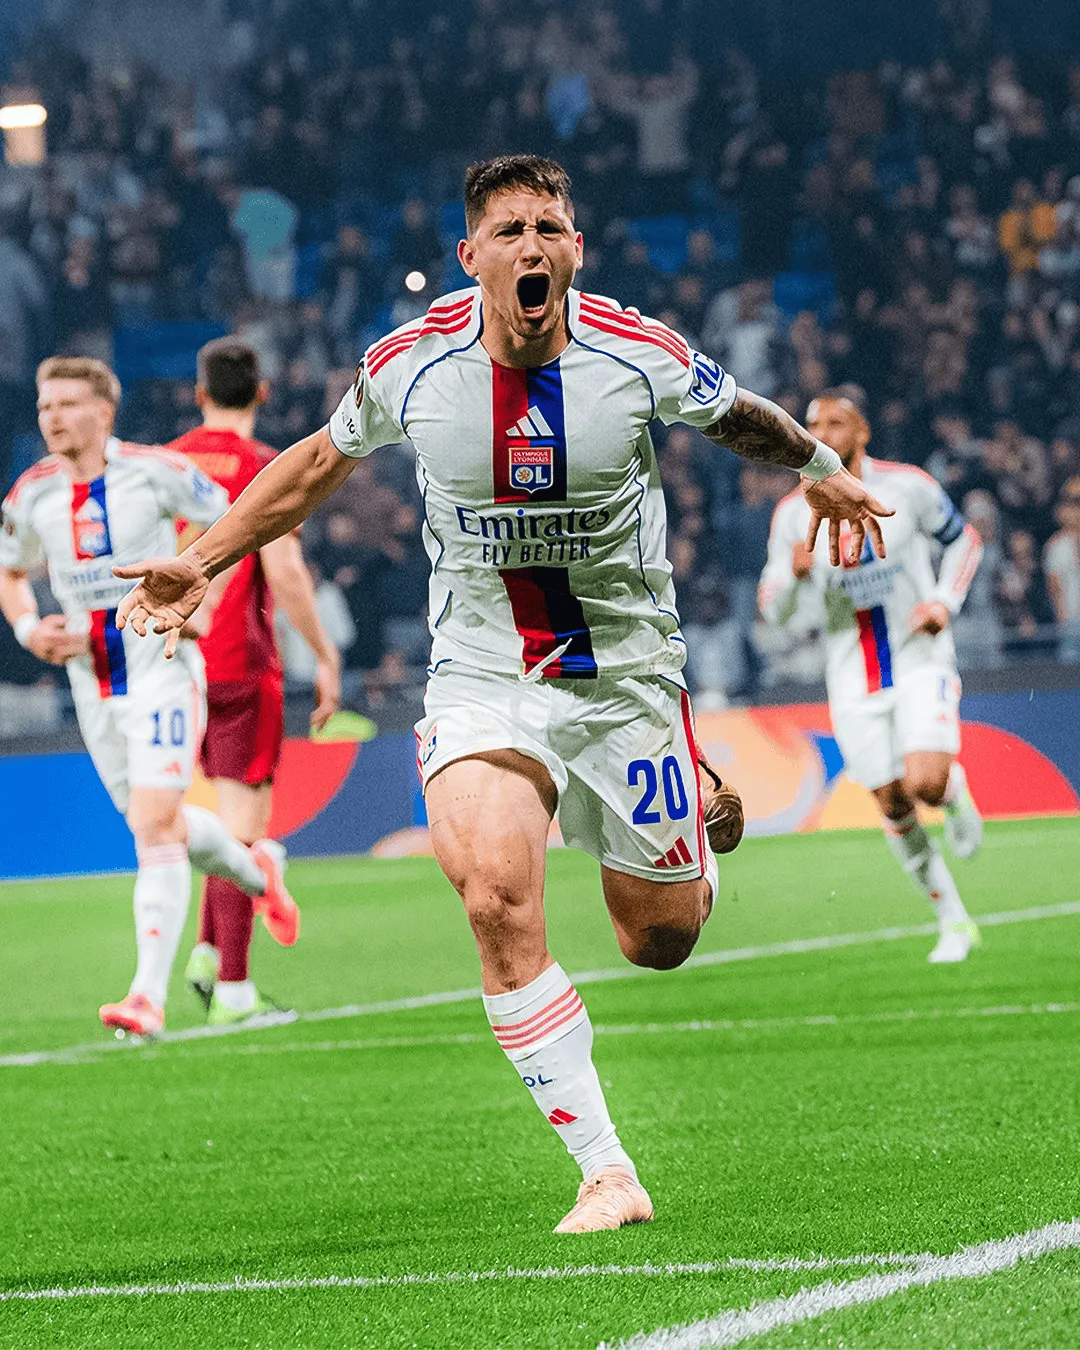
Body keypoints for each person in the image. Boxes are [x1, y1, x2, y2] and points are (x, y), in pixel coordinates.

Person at [112, 155, 891, 1232]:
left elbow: (738, 416)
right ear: (470, 255)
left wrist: (816, 467)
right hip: (484, 673)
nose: (533, 246)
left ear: (576, 250)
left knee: (657, 940)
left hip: (625, 680)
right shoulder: (412, 364)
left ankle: (690, 841)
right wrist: (202, 558)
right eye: (511, 230)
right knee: (493, 895)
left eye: (550, 228)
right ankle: (608, 1171)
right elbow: (315, 464)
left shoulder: (638, 352)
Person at [0, 357, 296, 1040]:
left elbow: (237, 524)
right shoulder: (32, 492)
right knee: (157, 825)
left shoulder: (155, 470)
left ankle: (146, 999)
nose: (52, 417)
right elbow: (10, 572)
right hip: (92, 684)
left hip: (162, 669)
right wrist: (27, 627)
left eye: (67, 404)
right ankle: (259, 868)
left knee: (155, 822)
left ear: (104, 412)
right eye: (45, 406)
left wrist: (203, 600)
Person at [759, 388, 985, 964]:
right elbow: (774, 611)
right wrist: (794, 578)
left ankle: (952, 792)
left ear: (862, 432)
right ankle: (953, 920)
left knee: (925, 783)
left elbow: (965, 539)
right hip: (851, 679)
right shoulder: (791, 515)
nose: (821, 434)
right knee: (891, 802)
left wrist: (944, 602)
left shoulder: (908, 487)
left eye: (836, 423)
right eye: (813, 424)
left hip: (917, 657)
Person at [170, 338, 342, 1025]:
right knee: (243, 832)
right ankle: (235, 993)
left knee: (218, 824)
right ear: (263, 393)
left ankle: (208, 952)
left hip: (175, 666)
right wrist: (324, 655)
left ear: (199, 394)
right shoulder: (261, 466)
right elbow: (286, 571)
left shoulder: (166, 462)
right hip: (239, 665)